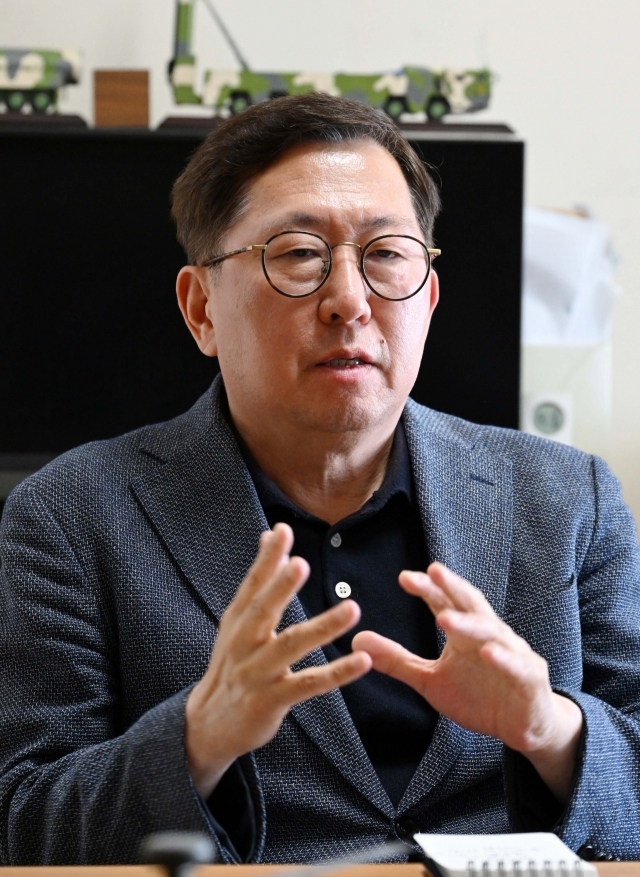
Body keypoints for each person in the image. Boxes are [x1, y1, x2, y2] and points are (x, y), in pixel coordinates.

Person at [1, 95, 639, 867]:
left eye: (386, 255)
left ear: (428, 298)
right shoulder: (70, 516)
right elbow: (21, 820)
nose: (348, 300)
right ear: (201, 308)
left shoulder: (571, 497)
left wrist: (550, 726)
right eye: (300, 253)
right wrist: (198, 736)